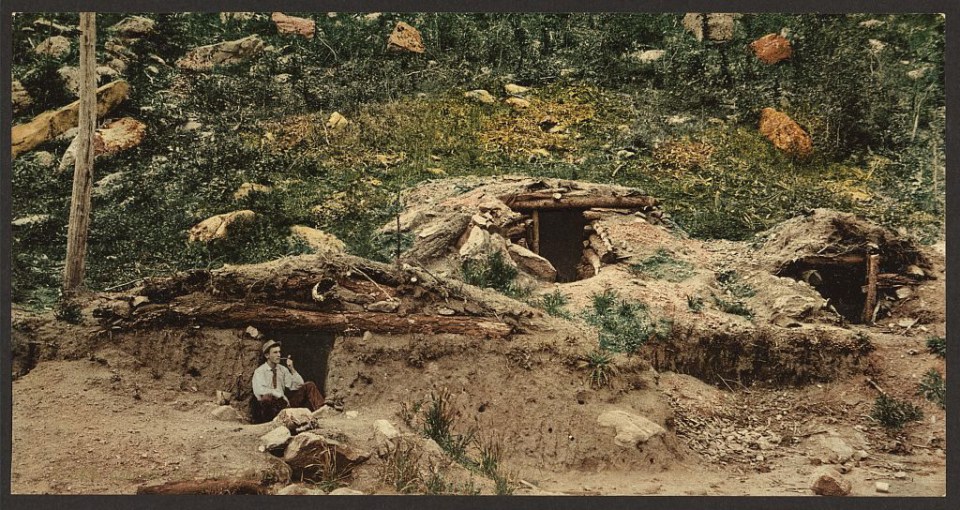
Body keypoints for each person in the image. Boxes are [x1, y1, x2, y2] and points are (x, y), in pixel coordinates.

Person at [252, 339, 325, 422]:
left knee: (309, 385)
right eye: (275, 352)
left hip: (284, 406)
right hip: (270, 408)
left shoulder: (282, 369)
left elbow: (298, 385)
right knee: (267, 397)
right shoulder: (259, 371)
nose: (279, 355)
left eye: (279, 352)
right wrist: (279, 394)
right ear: (267, 355)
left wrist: (292, 369)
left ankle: (323, 412)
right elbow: (259, 390)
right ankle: (270, 422)